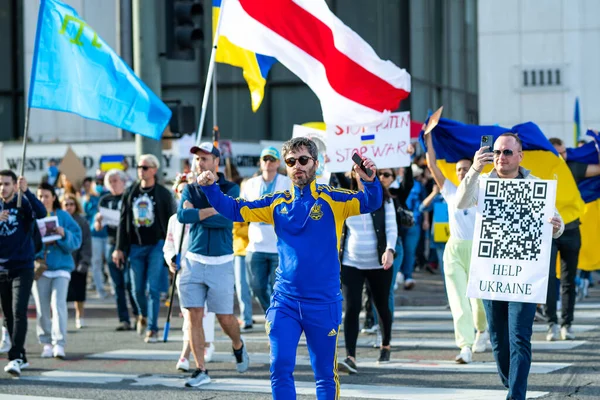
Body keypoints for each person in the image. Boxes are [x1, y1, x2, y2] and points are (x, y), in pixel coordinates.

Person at [196, 137, 382, 399]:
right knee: (280, 368)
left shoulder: (333, 199)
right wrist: (212, 188)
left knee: (325, 375)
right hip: (285, 302)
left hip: (323, 302)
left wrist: (371, 180)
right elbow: (236, 209)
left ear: (315, 164)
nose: (298, 166)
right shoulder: (276, 202)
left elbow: (370, 202)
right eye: (291, 161)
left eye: (304, 160)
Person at [456, 132, 564, 400]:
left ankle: (516, 395)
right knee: (498, 340)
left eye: (506, 152)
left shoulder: (536, 185)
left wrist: (556, 227)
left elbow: (556, 226)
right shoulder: (481, 183)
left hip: (524, 276)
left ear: (519, 156)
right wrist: (476, 168)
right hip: (491, 273)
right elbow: (460, 203)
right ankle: (511, 380)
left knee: (519, 338)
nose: (500, 157)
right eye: (496, 152)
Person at [176, 142, 248, 387]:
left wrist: (197, 212)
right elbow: (181, 216)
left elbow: (228, 218)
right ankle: (200, 369)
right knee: (194, 315)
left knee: (225, 318)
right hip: (194, 261)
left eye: (205, 158)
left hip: (221, 261)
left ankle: (238, 345)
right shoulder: (190, 188)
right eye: (197, 159)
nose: (200, 163)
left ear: (216, 162)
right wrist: (210, 211)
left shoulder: (230, 187)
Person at [424, 132, 488, 364]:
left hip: (478, 250)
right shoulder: (450, 190)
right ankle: (465, 346)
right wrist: (429, 138)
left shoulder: (483, 190)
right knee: (458, 299)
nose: (461, 172)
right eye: (459, 169)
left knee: (478, 300)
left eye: (466, 168)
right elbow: (432, 165)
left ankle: (482, 330)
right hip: (454, 250)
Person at [337, 167, 397, 374]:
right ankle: (350, 355)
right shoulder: (345, 199)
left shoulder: (385, 199)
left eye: (365, 172)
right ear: (352, 176)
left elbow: (391, 228)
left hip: (379, 263)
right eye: (356, 172)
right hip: (351, 262)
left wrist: (390, 250)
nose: (360, 176)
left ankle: (386, 344)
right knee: (352, 308)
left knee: (381, 305)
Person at [112, 155, 174, 342]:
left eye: (145, 167)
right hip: (135, 246)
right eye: (139, 167)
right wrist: (119, 248)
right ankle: (143, 314)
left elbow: (172, 222)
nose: (141, 170)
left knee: (152, 288)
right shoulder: (131, 192)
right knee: (136, 289)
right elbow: (123, 222)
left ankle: (152, 328)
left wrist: (172, 248)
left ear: (154, 170)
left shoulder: (163, 193)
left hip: (156, 245)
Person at [163, 173, 216, 372]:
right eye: (180, 190)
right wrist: (170, 260)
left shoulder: (203, 215)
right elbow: (168, 246)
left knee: (204, 312)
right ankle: (198, 348)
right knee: (190, 314)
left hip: (204, 266)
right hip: (183, 272)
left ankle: (191, 352)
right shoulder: (174, 220)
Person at [544, 137, 594, 340]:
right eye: (557, 153)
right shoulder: (541, 169)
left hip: (572, 230)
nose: (561, 156)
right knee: (548, 280)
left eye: (564, 152)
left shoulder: (573, 167)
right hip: (547, 231)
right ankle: (551, 324)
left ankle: (567, 324)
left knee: (568, 281)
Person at [0, 172, 46, 377]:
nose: (3, 188)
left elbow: (42, 213)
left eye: (7, 184)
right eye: (0, 184)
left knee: (19, 311)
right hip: (2, 268)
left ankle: (15, 356)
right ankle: (22, 355)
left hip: (23, 266)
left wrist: (27, 192)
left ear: (14, 186)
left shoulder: (22, 203)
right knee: (8, 314)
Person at [33, 183, 82, 360]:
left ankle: (59, 343)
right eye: (39, 196)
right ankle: (46, 342)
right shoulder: (33, 216)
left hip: (61, 267)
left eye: (46, 196)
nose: (43, 199)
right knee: (42, 307)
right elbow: (26, 242)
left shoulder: (63, 216)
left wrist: (63, 234)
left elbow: (76, 240)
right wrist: (39, 246)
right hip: (41, 268)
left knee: (58, 304)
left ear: (54, 197)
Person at [241, 146, 292, 313]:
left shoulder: (287, 183)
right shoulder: (250, 184)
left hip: (279, 246)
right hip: (256, 245)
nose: (268, 162)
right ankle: (273, 314)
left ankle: (279, 319)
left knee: (279, 289)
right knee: (256, 288)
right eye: (265, 159)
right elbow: (243, 209)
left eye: (272, 159)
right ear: (260, 162)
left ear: (278, 163)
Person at [96, 169, 137, 331]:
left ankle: (139, 314)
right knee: (117, 284)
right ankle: (124, 319)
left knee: (130, 282)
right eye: (110, 181)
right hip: (111, 242)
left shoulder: (128, 197)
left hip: (128, 243)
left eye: (116, 180)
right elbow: (98, 226)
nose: (113, 183)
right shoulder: (105, 200)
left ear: (122, 181)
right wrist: (98, 221)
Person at [62, 193, 92, 330]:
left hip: (78, 262)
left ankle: (80, 317)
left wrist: (84, 261)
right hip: (62, 262)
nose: (69, 207)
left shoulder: (82, 221)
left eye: (71, 204)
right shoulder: (58, 219)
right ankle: (61, 319)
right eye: (66, 204)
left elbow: (86, 242)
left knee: (79, 294)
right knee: (61, 295)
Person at [81, 177, 108, 300]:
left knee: (111, 262)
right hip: (95, 235)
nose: (99, 185)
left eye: (101, 183)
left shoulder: (107, 196)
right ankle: (100, 289)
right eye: (97, 183)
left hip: (108, 234)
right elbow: (84, 218)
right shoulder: (87, 199)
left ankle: (114, 288)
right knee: (96, 263)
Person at [233, 181, 253, 331]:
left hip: (260, 251)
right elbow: (236, 229)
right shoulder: (238, 206)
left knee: (259, 287)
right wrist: (254, 229)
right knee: (241, 286)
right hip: (241, 251)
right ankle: (246, 318)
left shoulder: (262, 205)